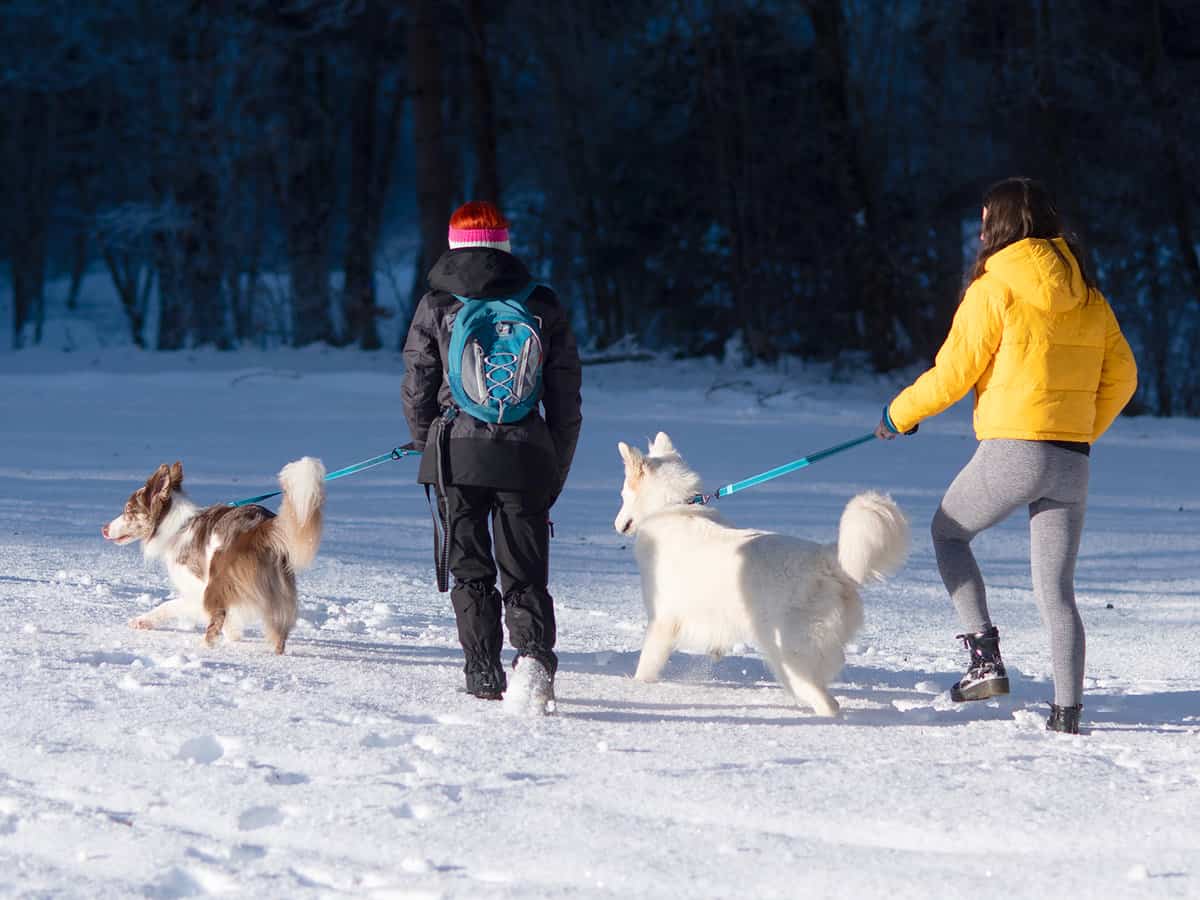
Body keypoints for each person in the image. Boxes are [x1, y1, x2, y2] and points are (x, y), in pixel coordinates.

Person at [876, 177, 1137, 735]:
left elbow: (953, 373)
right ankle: (1067, 714)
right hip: (1072, 459)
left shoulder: (994, 288)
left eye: (986, 213)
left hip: (1014, 448)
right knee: (1056, 591)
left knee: (948, 534)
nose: (980, 223)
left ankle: (984, 660)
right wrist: (1082, 428)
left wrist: (899, 414)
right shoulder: (1090, 294)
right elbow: (1125, 375)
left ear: (1002, 222)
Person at [402, 201, 583, 710]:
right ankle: (533, 663)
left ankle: (482, 669)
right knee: (525, 571)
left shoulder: (436, 303)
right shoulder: (542, 303)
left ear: (454, 243)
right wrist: (554, 468)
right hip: (527, 455)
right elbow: (566, 399)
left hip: (456, 453)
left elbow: (417, 386)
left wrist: (429, 448)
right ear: (505, 244)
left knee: (471, 567)